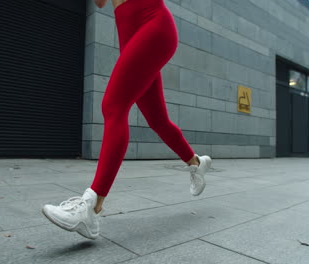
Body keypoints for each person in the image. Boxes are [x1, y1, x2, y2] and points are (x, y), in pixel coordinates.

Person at [42, 0, 212, 240]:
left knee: (113, 106)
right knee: (157, 119)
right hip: (131, 31)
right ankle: (196, 163)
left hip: (153, 23)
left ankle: (91, 206)